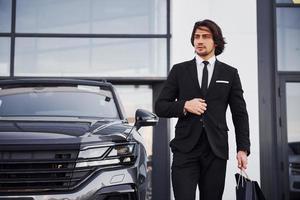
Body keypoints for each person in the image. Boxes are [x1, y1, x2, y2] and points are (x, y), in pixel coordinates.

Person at [155, 19, 250, 200]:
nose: (199, 41)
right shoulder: (179, 70)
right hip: (185, 149)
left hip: (216, 151)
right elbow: (160, 106)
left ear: (216, 41)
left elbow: (240, 114)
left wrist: (243, 148)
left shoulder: (230, 73)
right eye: (196, 37)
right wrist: (184, 105)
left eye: (205, 36)